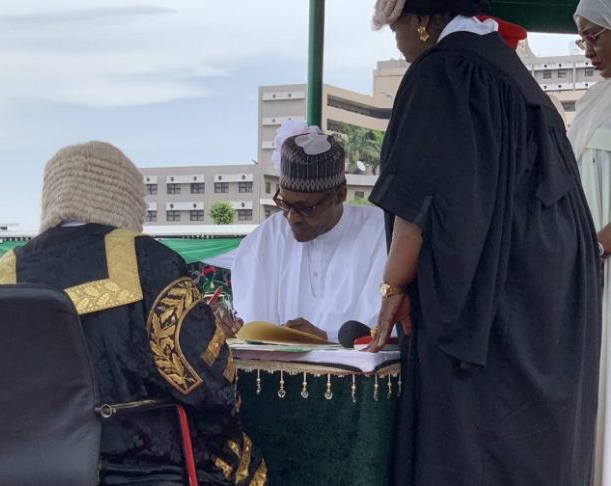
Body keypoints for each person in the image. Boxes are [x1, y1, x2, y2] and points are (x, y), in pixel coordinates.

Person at [367, 1, 602, 485]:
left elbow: (419, 201)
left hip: (489, 312)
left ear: (423, 21)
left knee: (473, 447)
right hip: (548, 305)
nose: (399, 44)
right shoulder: (515, 76)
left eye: (396, 29)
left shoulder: (444, 71)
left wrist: (393, 288)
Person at [0, 141, 266, 486]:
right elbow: (205, 380)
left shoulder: (1, 274)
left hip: (26, 465)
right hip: (142, 466)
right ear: (125, 195)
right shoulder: (150, 262)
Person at [231, 121, 387, 341]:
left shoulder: (379, 233)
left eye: (305, 208)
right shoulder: (265, 238)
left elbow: (384, 329)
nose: (292, 217)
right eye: (284, 204)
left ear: (340, 195)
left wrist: (326, 338)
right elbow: (251, 326)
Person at [567, 1, 611, 483]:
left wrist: (595, 248)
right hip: (588, 271)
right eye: (581, 38)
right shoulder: (594, 101)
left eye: (594, 35)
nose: (587, 49)